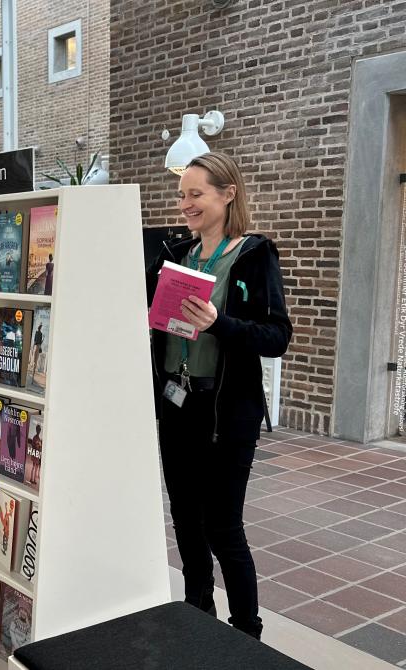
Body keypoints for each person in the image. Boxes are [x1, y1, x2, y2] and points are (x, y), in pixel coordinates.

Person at [146, 152, 292, 641]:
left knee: (223, 528)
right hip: (176, 403)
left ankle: (247, 634)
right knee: (186, 521)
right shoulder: (176, 256)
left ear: (228, 194)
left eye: (196, 194)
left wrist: (219, 323)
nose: (185, 204)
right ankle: (197, 615)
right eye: (181, 195)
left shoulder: (253, 254)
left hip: (225, 413)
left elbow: (277, 336)